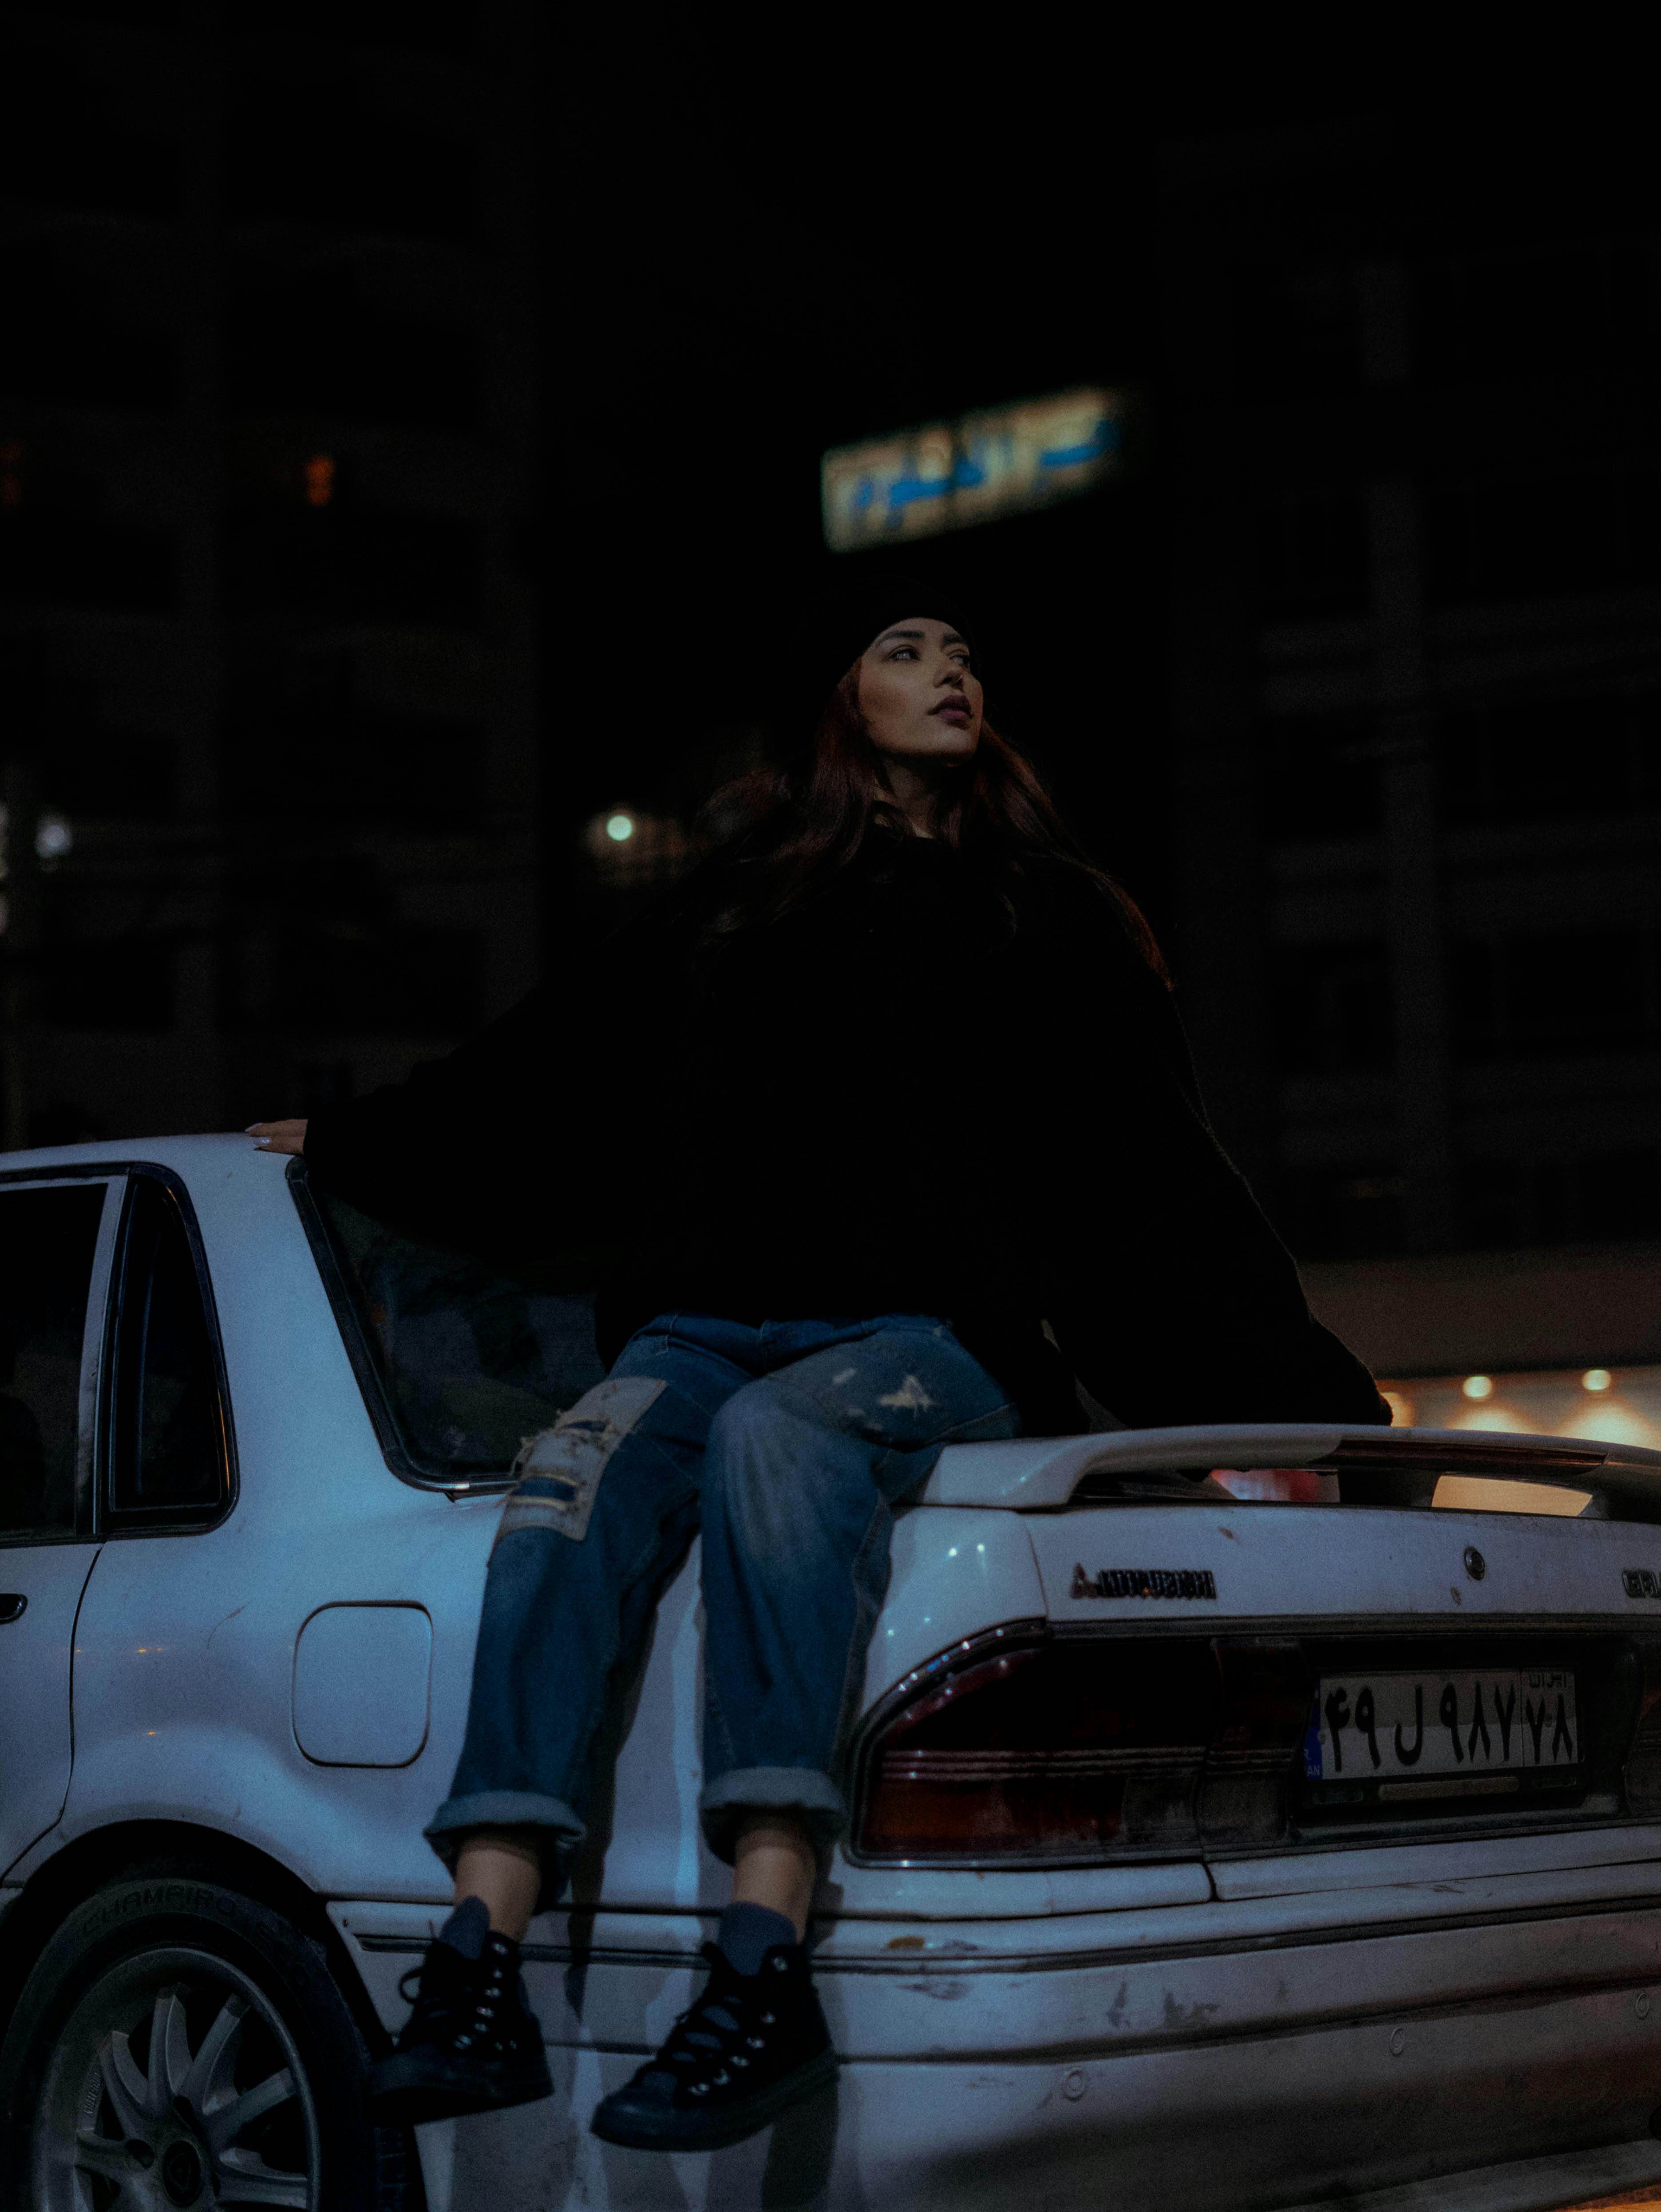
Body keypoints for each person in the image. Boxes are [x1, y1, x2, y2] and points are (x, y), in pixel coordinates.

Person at [249, 576, 1388, 2155]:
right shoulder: (742, 903)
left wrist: (1294, 1396)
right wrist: (352, 1142)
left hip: (928, 1342)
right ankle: (477, 1963)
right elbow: (547, 1065)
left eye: (967, 653)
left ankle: (762, 1961)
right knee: (565, 1486)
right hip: (704, 1326)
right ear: (841, 701)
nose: (952, 673)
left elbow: (1154, 1178)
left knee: (776, 1446)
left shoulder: (1046, 913)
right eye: (908, 650)